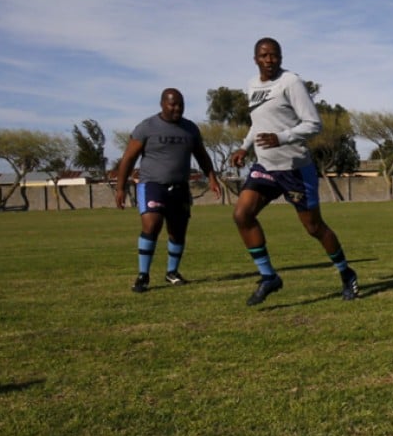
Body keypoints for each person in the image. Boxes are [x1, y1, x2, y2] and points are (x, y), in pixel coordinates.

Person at [230, 37, 359, 305]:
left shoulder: (291, 83)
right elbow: (257, 123)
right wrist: (244, 147)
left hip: (295, 169)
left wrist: (283, 137)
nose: (269, 60)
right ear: (255, 58)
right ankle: (269, 277)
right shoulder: (252, 86)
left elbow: (314, 124)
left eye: (274, 55)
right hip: (266, 166)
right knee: (242, 214)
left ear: (281, 57)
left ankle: (347, 273)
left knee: (314, 228)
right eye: (264, 55)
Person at [115, 88, 222, 293]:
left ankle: (172, 272)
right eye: (173, 104)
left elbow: (202, 155)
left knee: (177, 231)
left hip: (180, 187)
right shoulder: (147, 127)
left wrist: (212, 178)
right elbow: (128, 158)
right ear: (162, 104)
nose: (177, 108)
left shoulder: (190, 129)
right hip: (152, 185)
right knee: (152, 224)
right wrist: (120, 188)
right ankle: (143, 275)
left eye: (181, 104)